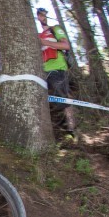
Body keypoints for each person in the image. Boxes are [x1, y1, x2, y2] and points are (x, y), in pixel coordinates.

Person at [37, 7, 75, 135]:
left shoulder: (55, 29)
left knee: (63, 96)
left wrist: (45, 42)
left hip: (57, 67)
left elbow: (66, 45)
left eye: (44, 14)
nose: (42, 17)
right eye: (39, 15)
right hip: (41, 71)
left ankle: (71, 126)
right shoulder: (37, 35)